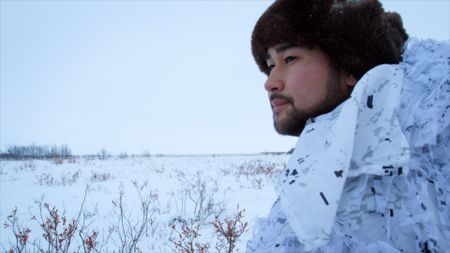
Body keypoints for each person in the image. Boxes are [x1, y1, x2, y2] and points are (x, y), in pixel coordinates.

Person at [246, 0, 450, 252]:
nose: (271, 83)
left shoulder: (422, 151)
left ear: (349, 68)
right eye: (270, 66)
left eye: (289, 58)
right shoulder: (324, 159)